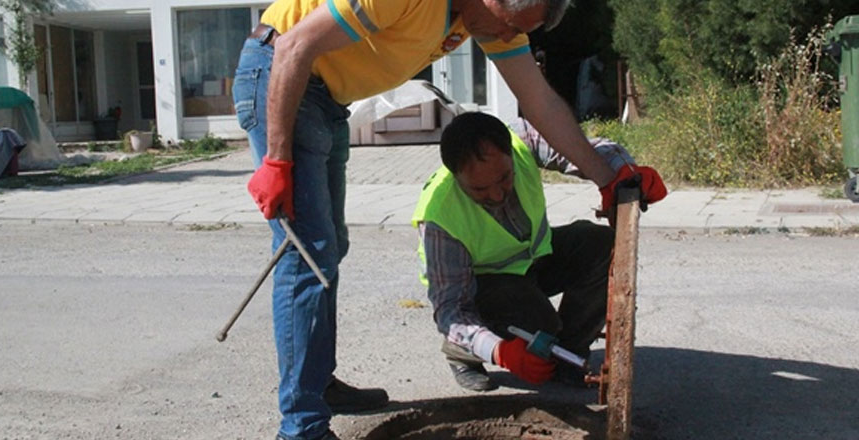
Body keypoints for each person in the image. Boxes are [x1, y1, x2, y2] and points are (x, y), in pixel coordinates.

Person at [232, 1, 661, 438]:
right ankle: (301, 426)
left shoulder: (492, 19)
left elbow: (541, 103)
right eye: (509, 24)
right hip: (279, 74)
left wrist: (608, 178)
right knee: (309, 254)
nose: (505, 35)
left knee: (329, 249)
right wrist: (277, 160)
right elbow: (293, 46)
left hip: (328, 99)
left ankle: (316, 383)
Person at [411, 112, 667, 391]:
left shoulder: (521, 141)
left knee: (600, 245)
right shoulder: (439, 217)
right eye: (480, 189)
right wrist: (499, 350)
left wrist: (623, 173)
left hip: (531, 261)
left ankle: (567, 355)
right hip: (481, 286)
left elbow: (589, 149)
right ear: (455, 176)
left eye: (505, 178)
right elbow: (452, 311)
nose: (497, 195)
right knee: (538, 325)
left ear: (509, 153)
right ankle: (459, 351)